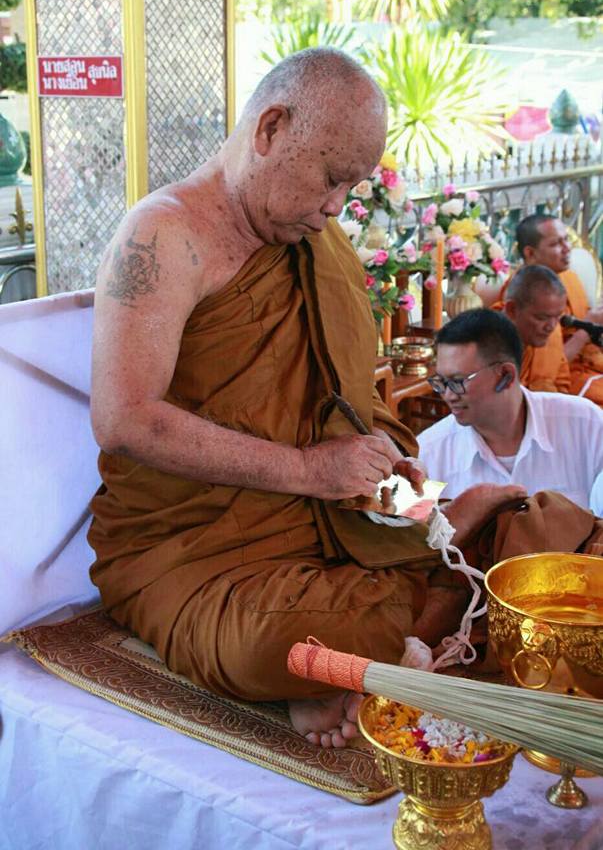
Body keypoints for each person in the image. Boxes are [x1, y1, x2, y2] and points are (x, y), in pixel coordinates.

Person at [89, 49, 523, 749]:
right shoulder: (164, 235)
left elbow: (343, 406)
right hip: (196, 552)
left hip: (332, 520)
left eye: (350, 188)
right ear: (269, 129)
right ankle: (364, 653)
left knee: (525, 539)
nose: (334, 208)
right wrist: (307, 471)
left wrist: (392, 481)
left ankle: (365, 653)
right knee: (279, 641)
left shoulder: (313, 241)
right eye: (329, 178)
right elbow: (123, 419)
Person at [418, 308, 603, 506]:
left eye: (458, 381)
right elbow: (403, 533)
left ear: (506, 375)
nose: (448, 395)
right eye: (441, 382)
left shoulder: (586, 425)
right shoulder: (428, 452)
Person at [516, 213, 603, 405]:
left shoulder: (569, 279)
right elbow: (549, 369)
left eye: (566, 240)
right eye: (556, 244)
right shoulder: (524, 297)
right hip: (561, 383)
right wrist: (586, 330)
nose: (567, 249)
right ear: (530, 253)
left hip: (590, 366)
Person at [498, 264, 570, 393]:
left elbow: (562, 388)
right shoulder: (483, 346)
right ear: (512, 310)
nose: (551, 327)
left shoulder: (553, 339)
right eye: (542, 317)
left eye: (558, 317)